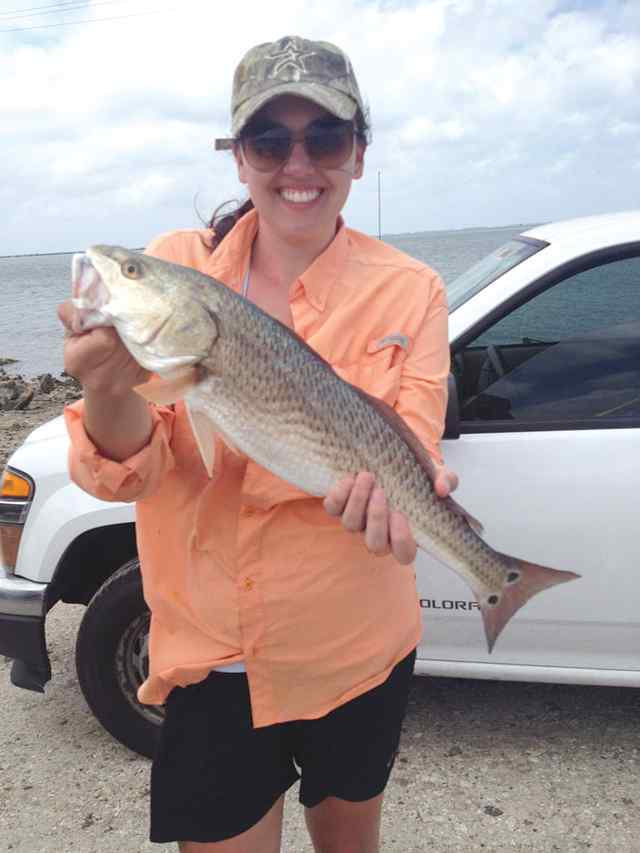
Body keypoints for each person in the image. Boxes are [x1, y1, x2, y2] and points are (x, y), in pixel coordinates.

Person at [58, 34, 457, 853]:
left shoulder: (413, 289)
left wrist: (402, 505)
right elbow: (132, 470)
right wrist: (106, 386)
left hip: (358, 648)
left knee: (350, 840)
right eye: (269, 140)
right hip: (213, 659)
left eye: (326, 137)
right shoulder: (176, 268)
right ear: (238, 157)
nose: (297, 163)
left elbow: (412, 441)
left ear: (359, 154)